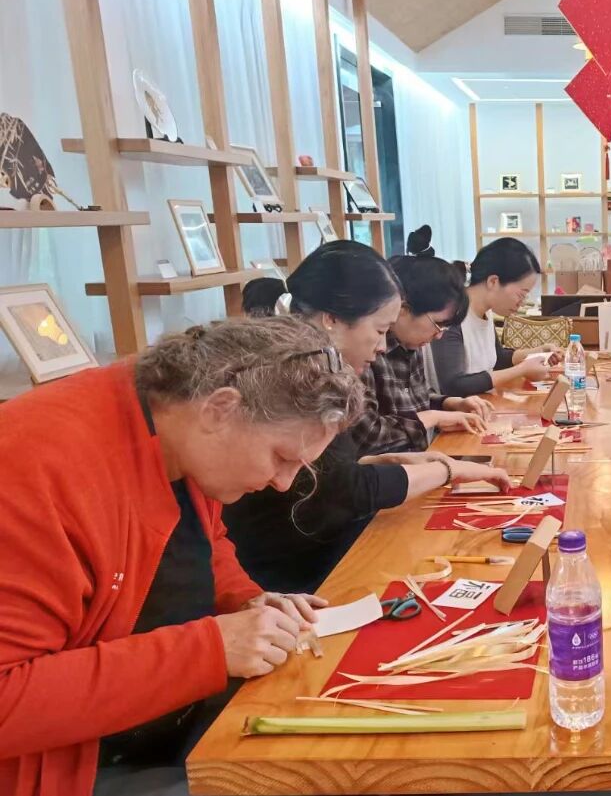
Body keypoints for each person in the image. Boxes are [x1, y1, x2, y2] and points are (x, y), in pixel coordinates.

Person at [0, 317, 366, 796]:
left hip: (176, 723)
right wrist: (211, 650)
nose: (282, 483)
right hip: (71, 769)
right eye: (281, 457)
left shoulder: (178, 427)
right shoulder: (38, 468)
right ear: (221, 409)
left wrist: (247, 600)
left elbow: (200, 542)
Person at [225, 241, 510, 593]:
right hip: (295, 570)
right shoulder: (296, 374)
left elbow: (334, 469)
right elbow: (342, 488)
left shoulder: (320, 365)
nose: (382, 346)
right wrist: (446, 469)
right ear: (330, 319)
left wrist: (397, 459)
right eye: (378, 330)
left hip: (313, 549)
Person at [349, 226, 493, 456]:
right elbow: (368, 435)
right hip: (387, 477)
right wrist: (434, 417)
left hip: (418, 464)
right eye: (438, 324)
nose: (439, 335)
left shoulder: (410, 344)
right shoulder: (366, 351)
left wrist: (449, 404)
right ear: (403, 309)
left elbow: (417, 399)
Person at [432, 238, 558, 397]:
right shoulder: (453, 315)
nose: (522, 302)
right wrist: (522, 369)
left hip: (481, 406)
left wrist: (538, 351)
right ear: (493, 281)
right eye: (521, 294)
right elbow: (453, 385)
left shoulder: (485, 311)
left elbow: (497, 359)